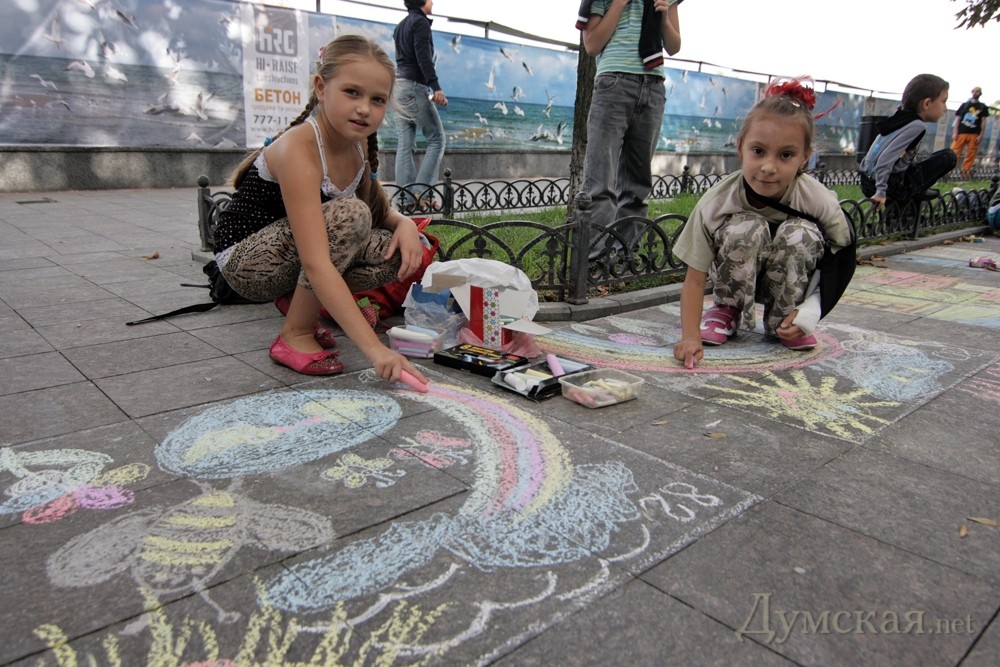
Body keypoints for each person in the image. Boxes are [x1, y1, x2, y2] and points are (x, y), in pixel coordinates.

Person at [214, 34, 427, 383]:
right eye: (352, 92)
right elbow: (316, 260)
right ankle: (294, 333)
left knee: (393, 250)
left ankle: (303, 304)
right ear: (321, 88)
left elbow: (377, 214)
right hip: (246, 264)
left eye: (377, 99)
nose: (364, 108)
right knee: (350, 215)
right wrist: (375, 350)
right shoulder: (300, 148)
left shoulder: (358, 147)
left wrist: (404, 224)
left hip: (295, 253)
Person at [672, 77, 855, 369]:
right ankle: (727, 309)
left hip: (788, 285)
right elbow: (695, 279)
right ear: (741, 147)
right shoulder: (717, 202)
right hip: (736, 280)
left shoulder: (818, 200)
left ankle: (784, 319)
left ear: (805, 157)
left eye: (786, 155)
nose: (769, 167)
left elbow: (842, 257)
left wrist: (809, 312)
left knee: (800, 234)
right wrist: (690, 337)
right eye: (758, 151)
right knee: (747, 227)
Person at [576, 0, 682, 260]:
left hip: (653, 85)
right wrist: (619, 3)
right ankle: (596, 260)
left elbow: (674, 46)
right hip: (614, 81)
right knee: (600, 178)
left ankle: (625, 257)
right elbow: (592, 45)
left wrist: (664, 18)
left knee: (638, 182)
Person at [859, 74, 957, 209]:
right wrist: (881, 192)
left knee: (911, 163)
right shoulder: (917, 126)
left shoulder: (900, 118)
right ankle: (917, 190)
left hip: (866, 180)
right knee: (948, 157)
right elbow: (884, 159)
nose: (945, 109)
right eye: (943, 101)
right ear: (927, 103)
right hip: (887, 185)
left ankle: (912, 195)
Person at [393, 0, 447, 212]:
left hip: (399, 87)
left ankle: (405, 200)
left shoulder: (400, 26)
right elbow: (423, 57)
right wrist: (436, 87)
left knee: (405, 144)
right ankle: (422, 194)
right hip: (415, 86)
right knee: (437, 139)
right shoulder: (421, 23)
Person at [951, 86, 988, 176]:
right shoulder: (964, 105)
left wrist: (981, 135)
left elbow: (983, 121)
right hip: (961, 133)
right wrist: (955, 132)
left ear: (980, 93)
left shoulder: (983, 106)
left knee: (971, 154)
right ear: (971, 92)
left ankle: (965, 173)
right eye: (974, 91)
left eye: (977, 91)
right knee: (954, 153)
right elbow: (958, 119)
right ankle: (948, 172)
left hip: (974, 134)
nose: (975, 93)